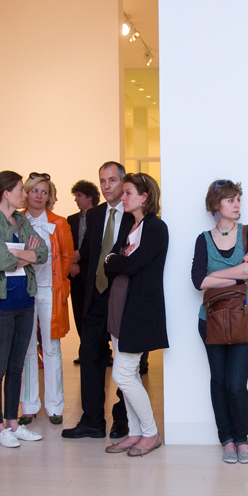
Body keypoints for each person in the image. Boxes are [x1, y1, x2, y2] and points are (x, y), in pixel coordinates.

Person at [191, 179, 248, 464]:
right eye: (230, 200)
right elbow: (198, 281)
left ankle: (242, 439)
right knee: (219, 382)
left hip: (246, 318)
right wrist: (237, 273)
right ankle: (227, 440)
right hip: (211, 320)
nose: (236, 204)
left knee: (236, 385)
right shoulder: (203, 239)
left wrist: (216, 275)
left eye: (238, 199)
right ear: (216, 204)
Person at [0, 170, 47, 448]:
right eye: (20, 189)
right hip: (0, 304)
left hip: (24, 301)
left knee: (17, 366)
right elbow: (0, 261)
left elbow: (43, 252)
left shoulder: (21, 220)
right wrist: (25, 255)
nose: (25, 194)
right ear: (6, 193)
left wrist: (16, 253)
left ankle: (13, 423)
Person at [62, 161, 131, 440]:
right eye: (102, 181)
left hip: (123, 298)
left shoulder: (135, 213)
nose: (106, 186)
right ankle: (92, 420)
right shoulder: (94, 214)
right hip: (96, 296)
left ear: (123, 182)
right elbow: (90, 251)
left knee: (125, 360)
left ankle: (122, 419)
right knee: (90, 355)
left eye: (112, 180)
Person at [102, 173, 168, 456]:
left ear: (144, 197)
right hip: (119, 306)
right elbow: (108, 263)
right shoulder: (129, 224)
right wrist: (119, 259)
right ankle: (136, 432)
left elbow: (130, 265)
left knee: (123, 374)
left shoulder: (156, 227)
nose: (122, 197)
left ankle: (150, 433)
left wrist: (118, 259)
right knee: (127, 375)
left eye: (128, 192)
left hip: (139, 309)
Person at [19, 173, 73, 426]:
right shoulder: (16, 220)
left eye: (44, 192)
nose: (39, 196)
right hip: (24, 290)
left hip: (50, 290)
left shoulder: (59, 223)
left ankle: (54, 406)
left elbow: (66, 257)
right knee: (27, 349)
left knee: (52, 348)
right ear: (26, 193)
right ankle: (28, 405)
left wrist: (58, 283)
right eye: (35, 191)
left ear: (50, 196)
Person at [67, 179, 99, 361]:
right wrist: (72, 262)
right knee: (78, 312)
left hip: (94, 272)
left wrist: (79, 255)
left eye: (79, 195)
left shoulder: (100, 217)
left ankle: (100, 351)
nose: (76, 199)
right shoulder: (71, 219)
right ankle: (85, 350)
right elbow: (68, 245)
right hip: (76, 273)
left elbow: (98, 246)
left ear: (89, 197)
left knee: (94, 313)